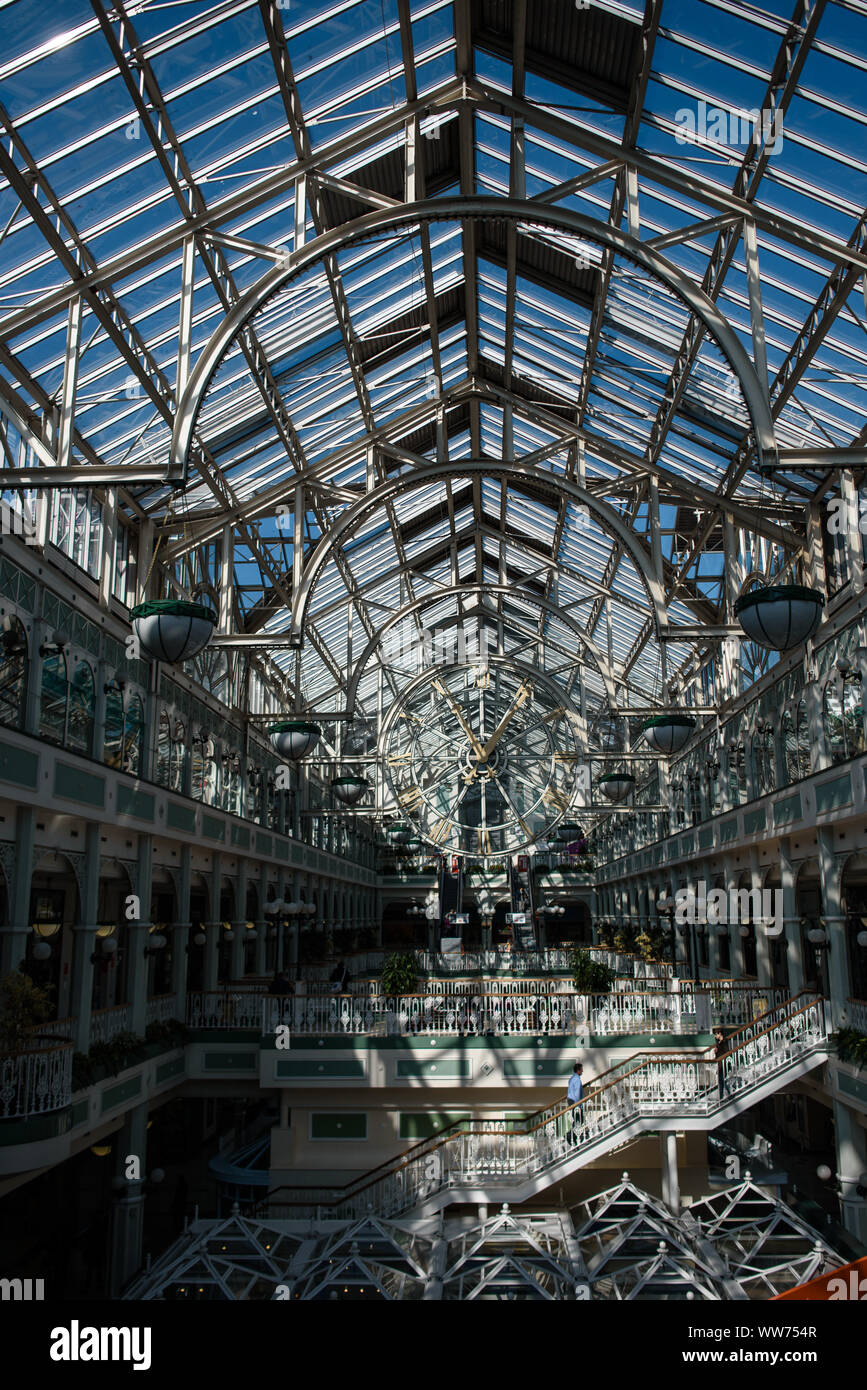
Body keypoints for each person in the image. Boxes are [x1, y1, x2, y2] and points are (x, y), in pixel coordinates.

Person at [567, 1062, 585, 1143]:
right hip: (575, 1101)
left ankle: (572, 1135)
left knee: (576, 1119)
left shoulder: (572, 1078)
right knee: (579, 1120)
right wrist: (578, 1104)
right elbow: (577, 1092)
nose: (582, 1071)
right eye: (581, 1070)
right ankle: (571, 1135)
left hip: (571, 1100)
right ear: (578, 1070)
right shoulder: (577, 1079)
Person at [713, 1027, 729, 1100]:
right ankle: (721, 1096)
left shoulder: (724, 1041)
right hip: (720, 1064)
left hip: (723, 1064)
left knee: (723, 1080)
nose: (715, 1036)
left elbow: (726, 1051)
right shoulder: (719, 1042)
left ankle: (728, 1094)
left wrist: (718, 1049)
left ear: (720, 1034)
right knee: (721, 1081)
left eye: (716, 1034)